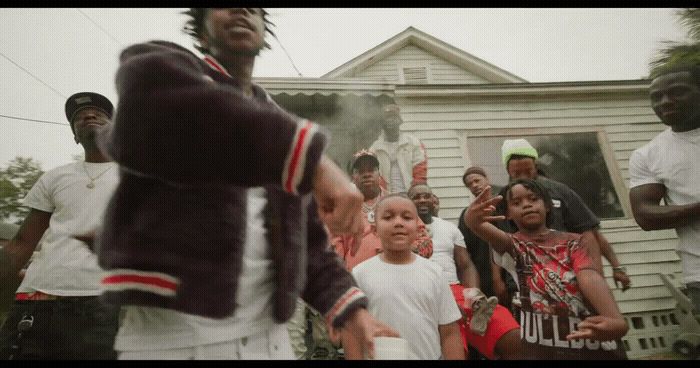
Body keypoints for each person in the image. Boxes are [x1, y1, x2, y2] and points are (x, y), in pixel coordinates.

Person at [92, 8, 396, 360]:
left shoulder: (280, 126)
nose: (241, 10)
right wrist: (312, 161)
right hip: (171, 336)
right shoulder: (162, 74)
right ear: (201, 31)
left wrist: (352, 312)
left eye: (254, 8)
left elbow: (310, 246)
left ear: (266, 32)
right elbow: (150, 109)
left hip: (270, 339)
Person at [0, 92, 120, 359]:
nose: (88, 116)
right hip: (35, 300)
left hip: (100, 302)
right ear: (75, 136)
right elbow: (22, 242)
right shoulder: (56, 176)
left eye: (98, 114)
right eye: (78, 117)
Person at [465, 180, 628, 359]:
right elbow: (478, 226)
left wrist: (614, 319)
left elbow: (589, 275)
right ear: (508, 214)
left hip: (592, 336)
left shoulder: (574, 241)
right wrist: (471, 218)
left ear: (548, 206)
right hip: (545, 347)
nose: (527, 205)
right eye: (516, 203)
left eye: (533, 199)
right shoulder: (512, 245)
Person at [496, 139, 631, 292]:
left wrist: (615, 268)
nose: (524, 177)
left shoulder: (559, 191)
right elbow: (496, 245)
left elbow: (589, 231)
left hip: (568, 276)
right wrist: (498, 281)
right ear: (508, 172)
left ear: (536, 166)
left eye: (528, 171)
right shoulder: (503, 200)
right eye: (517, 173)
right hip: (527, 283)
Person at [408, 184, 522, 360]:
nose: (422, 200)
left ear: (434, 200)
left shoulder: (449, 228)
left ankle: (477, 309)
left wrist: (472, 293)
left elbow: (465, 265)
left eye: (426, 196)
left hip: (454, 289)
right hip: (421, 291)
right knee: (452, 330)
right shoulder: (401, 229)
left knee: (508, 332)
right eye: (416, 197)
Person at [351, 194, 464, 360]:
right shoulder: (360, 274)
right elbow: (352, 334)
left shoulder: (434, 273)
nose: (398, 223)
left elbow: (449, 332)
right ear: (374, 230)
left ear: (418, 228)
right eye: (388, 217)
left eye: (407, 217)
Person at [629, 64, 700, 313]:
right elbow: (645, 215)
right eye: (656, 97)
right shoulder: (648, 154)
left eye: (678, 92)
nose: (665, 102)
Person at [333, 149, 432, 271]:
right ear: (353, 177)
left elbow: (425, 241)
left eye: (371, 170)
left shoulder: (398, 203)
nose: (366, 174)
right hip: (358, 279)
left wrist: (399, 253)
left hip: (399, 273)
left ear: (379, 174)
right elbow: (334, 249)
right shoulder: (343, 209)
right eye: (360, 171)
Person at [457, 167, 517, 311]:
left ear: (487, 179)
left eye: (477, 180)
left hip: (510, 272)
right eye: (469, 184)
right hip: (483, 276)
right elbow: (466, 252)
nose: (474, 185)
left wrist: (498, 279)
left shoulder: (504, 207)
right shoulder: (468, 215)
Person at [369, 104, 427, 193]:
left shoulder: (413, 143)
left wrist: (414, 193)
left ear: (399, 121)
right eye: (387, 118)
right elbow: (375, 177)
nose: (390, 121)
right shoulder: (374, 149)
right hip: (386, 197)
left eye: (393, 117)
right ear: (382, 123)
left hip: (410, 195)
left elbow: (420, 173)